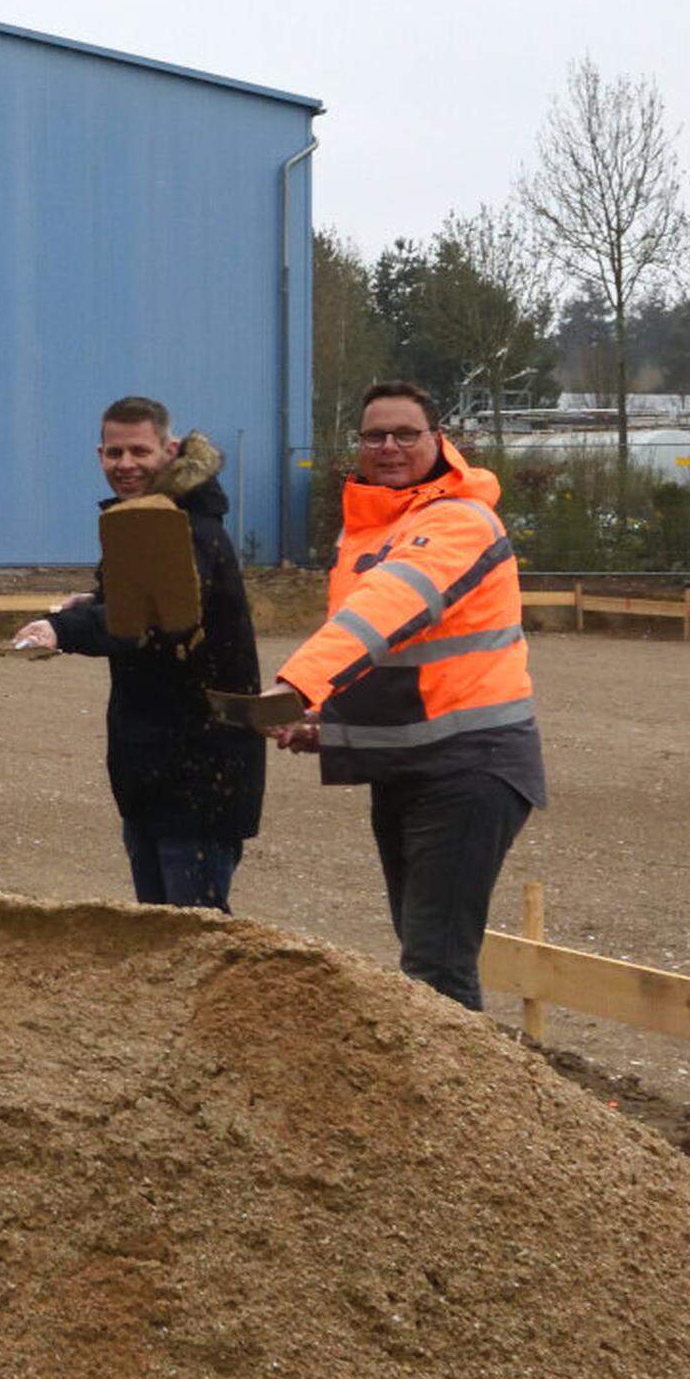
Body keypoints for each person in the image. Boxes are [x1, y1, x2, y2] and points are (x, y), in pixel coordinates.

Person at [261, 380, 545, 1009]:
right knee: (426, 952)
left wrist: (295, 685)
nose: (388, 446)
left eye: (405, 434)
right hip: (413, 766)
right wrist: (324, 725)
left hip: (472, 767)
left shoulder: (455, 519)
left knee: (436, 967)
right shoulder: (374, 528)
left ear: (439, 441)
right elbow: (391, 663)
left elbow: (389, 609)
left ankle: (463, 1103)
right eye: (374, 435)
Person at [14, 399, 266, 908]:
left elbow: (150, 617)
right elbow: (138, 605)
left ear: (169, 451)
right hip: (151, 775)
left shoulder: (184, 529)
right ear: (99, 454)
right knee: (157, 940)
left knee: (192, 943)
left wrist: (61, 628)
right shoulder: (144, 520)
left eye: (139, 451)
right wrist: (96, 603)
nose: (125, 464)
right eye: (114, 452)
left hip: (198, 779)